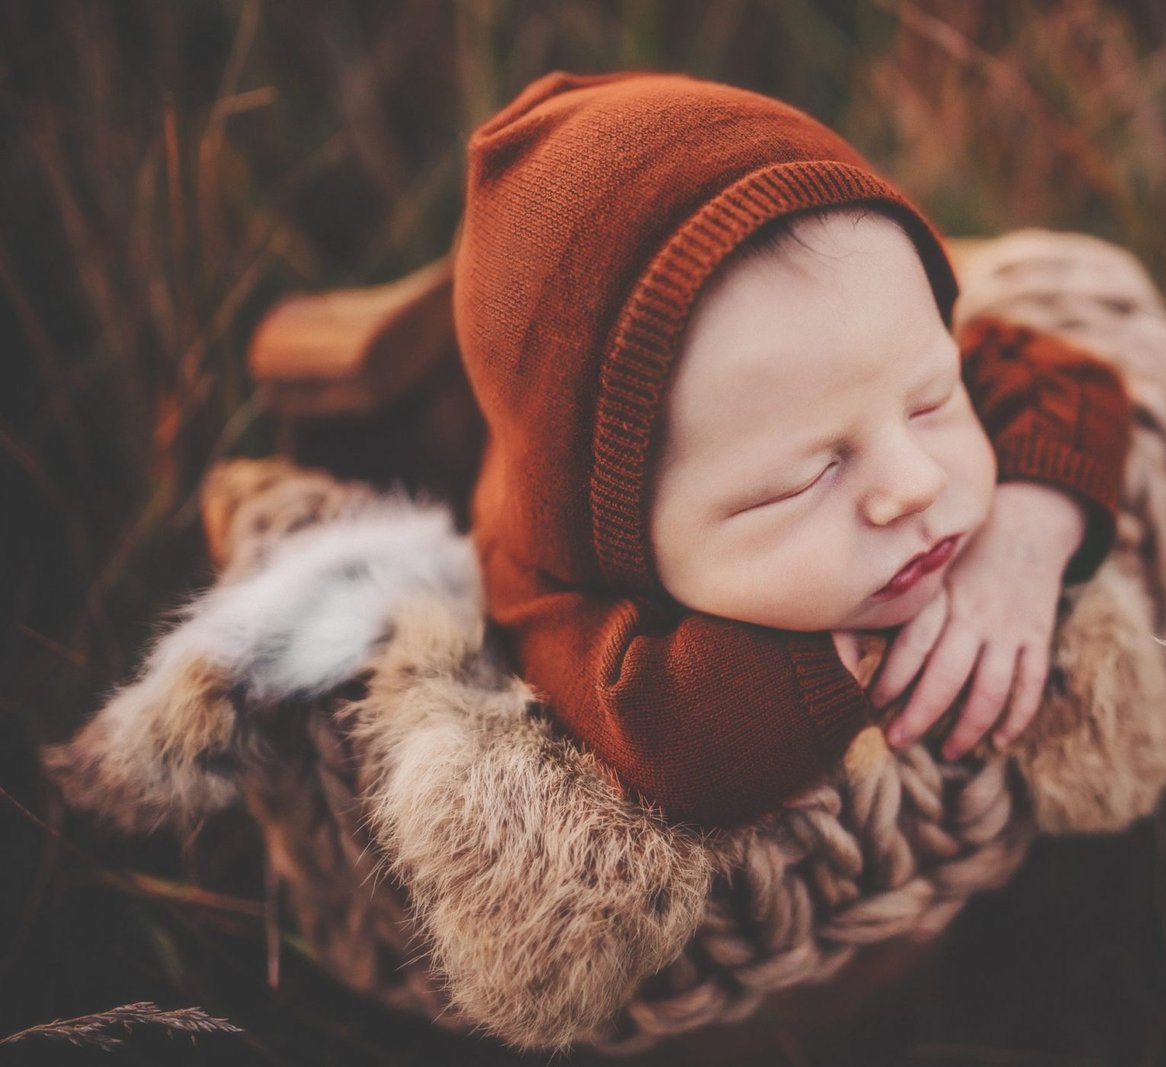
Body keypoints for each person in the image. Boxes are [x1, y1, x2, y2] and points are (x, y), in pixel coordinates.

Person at [457, 70, 1131, 827]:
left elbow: (1069, 379)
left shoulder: (859, 347)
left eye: (933, 401)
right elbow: (661, 735)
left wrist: (1028, 534)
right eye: (803, 480)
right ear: (623, 543)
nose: (916, 482)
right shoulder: (548, 575)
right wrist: (801, 675)